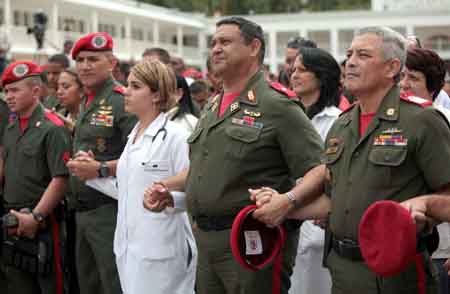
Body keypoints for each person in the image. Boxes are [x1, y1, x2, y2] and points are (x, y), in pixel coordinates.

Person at [251, 26, 450, 294]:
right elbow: (335, 201)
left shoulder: (422, 120)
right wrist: (284, 205)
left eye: (364, 55)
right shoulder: (342, 125)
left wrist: (424, 204)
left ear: (392, 67)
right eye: (349, 54)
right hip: (342, 269)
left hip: (395, 273)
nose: (351, 62)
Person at [146, 16, 323, 294]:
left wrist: (288, 201)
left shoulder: (277, 104)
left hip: (251, 242)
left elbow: (320, 169)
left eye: (225, 42)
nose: (215, 48)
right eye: (213, 43)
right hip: (206, 242)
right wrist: (167, 188)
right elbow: (204, 168)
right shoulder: (214, 105)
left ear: (254, 47)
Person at [114, 59, 197, 294]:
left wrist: (170, 200)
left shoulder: (175, 136)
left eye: (135, 86)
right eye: (127, 84)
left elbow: (195, 186)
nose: (125, 91)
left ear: (157, 95)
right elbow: (129, 188)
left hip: (163, 250)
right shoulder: (134, 136)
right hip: (129, 248)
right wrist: (95, 175)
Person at [66, 32, 136, 294]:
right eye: (81, 60)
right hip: (82, 211)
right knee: (89, 284)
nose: (85, 66)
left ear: (112, 63)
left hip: (110, 210)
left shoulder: (121, 100)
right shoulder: (87, 100)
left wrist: (100, 169)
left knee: (113, 283)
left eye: (93, 59)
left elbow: (141, 156)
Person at [0, 60, 71, 294]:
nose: (8, 96)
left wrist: (36, 217)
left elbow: (60, 179)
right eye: (6, 91)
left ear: (36, 91)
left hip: (42, 221)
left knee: (50, 286)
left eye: (15, 90)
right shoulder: (10, 127)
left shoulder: (53, 128)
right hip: (11, 219)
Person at [288, 46, 341, 294]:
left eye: (303, 70)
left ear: (321, 76)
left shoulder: (336, 121)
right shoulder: (289, 115)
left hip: (319, 223)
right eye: (294, 69)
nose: (294, 74)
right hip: (288, 219)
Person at [399, 47, 450, 294]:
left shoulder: (442, 120)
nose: (405, 84)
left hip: (441, 250)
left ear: (432, 87)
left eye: (414, 78)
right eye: (401, 76)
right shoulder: (396, 122)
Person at [399, 48, 449, 112]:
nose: (403, 84)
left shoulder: (444, 119)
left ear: (432, 88)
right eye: (402, 75)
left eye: (413, 78)